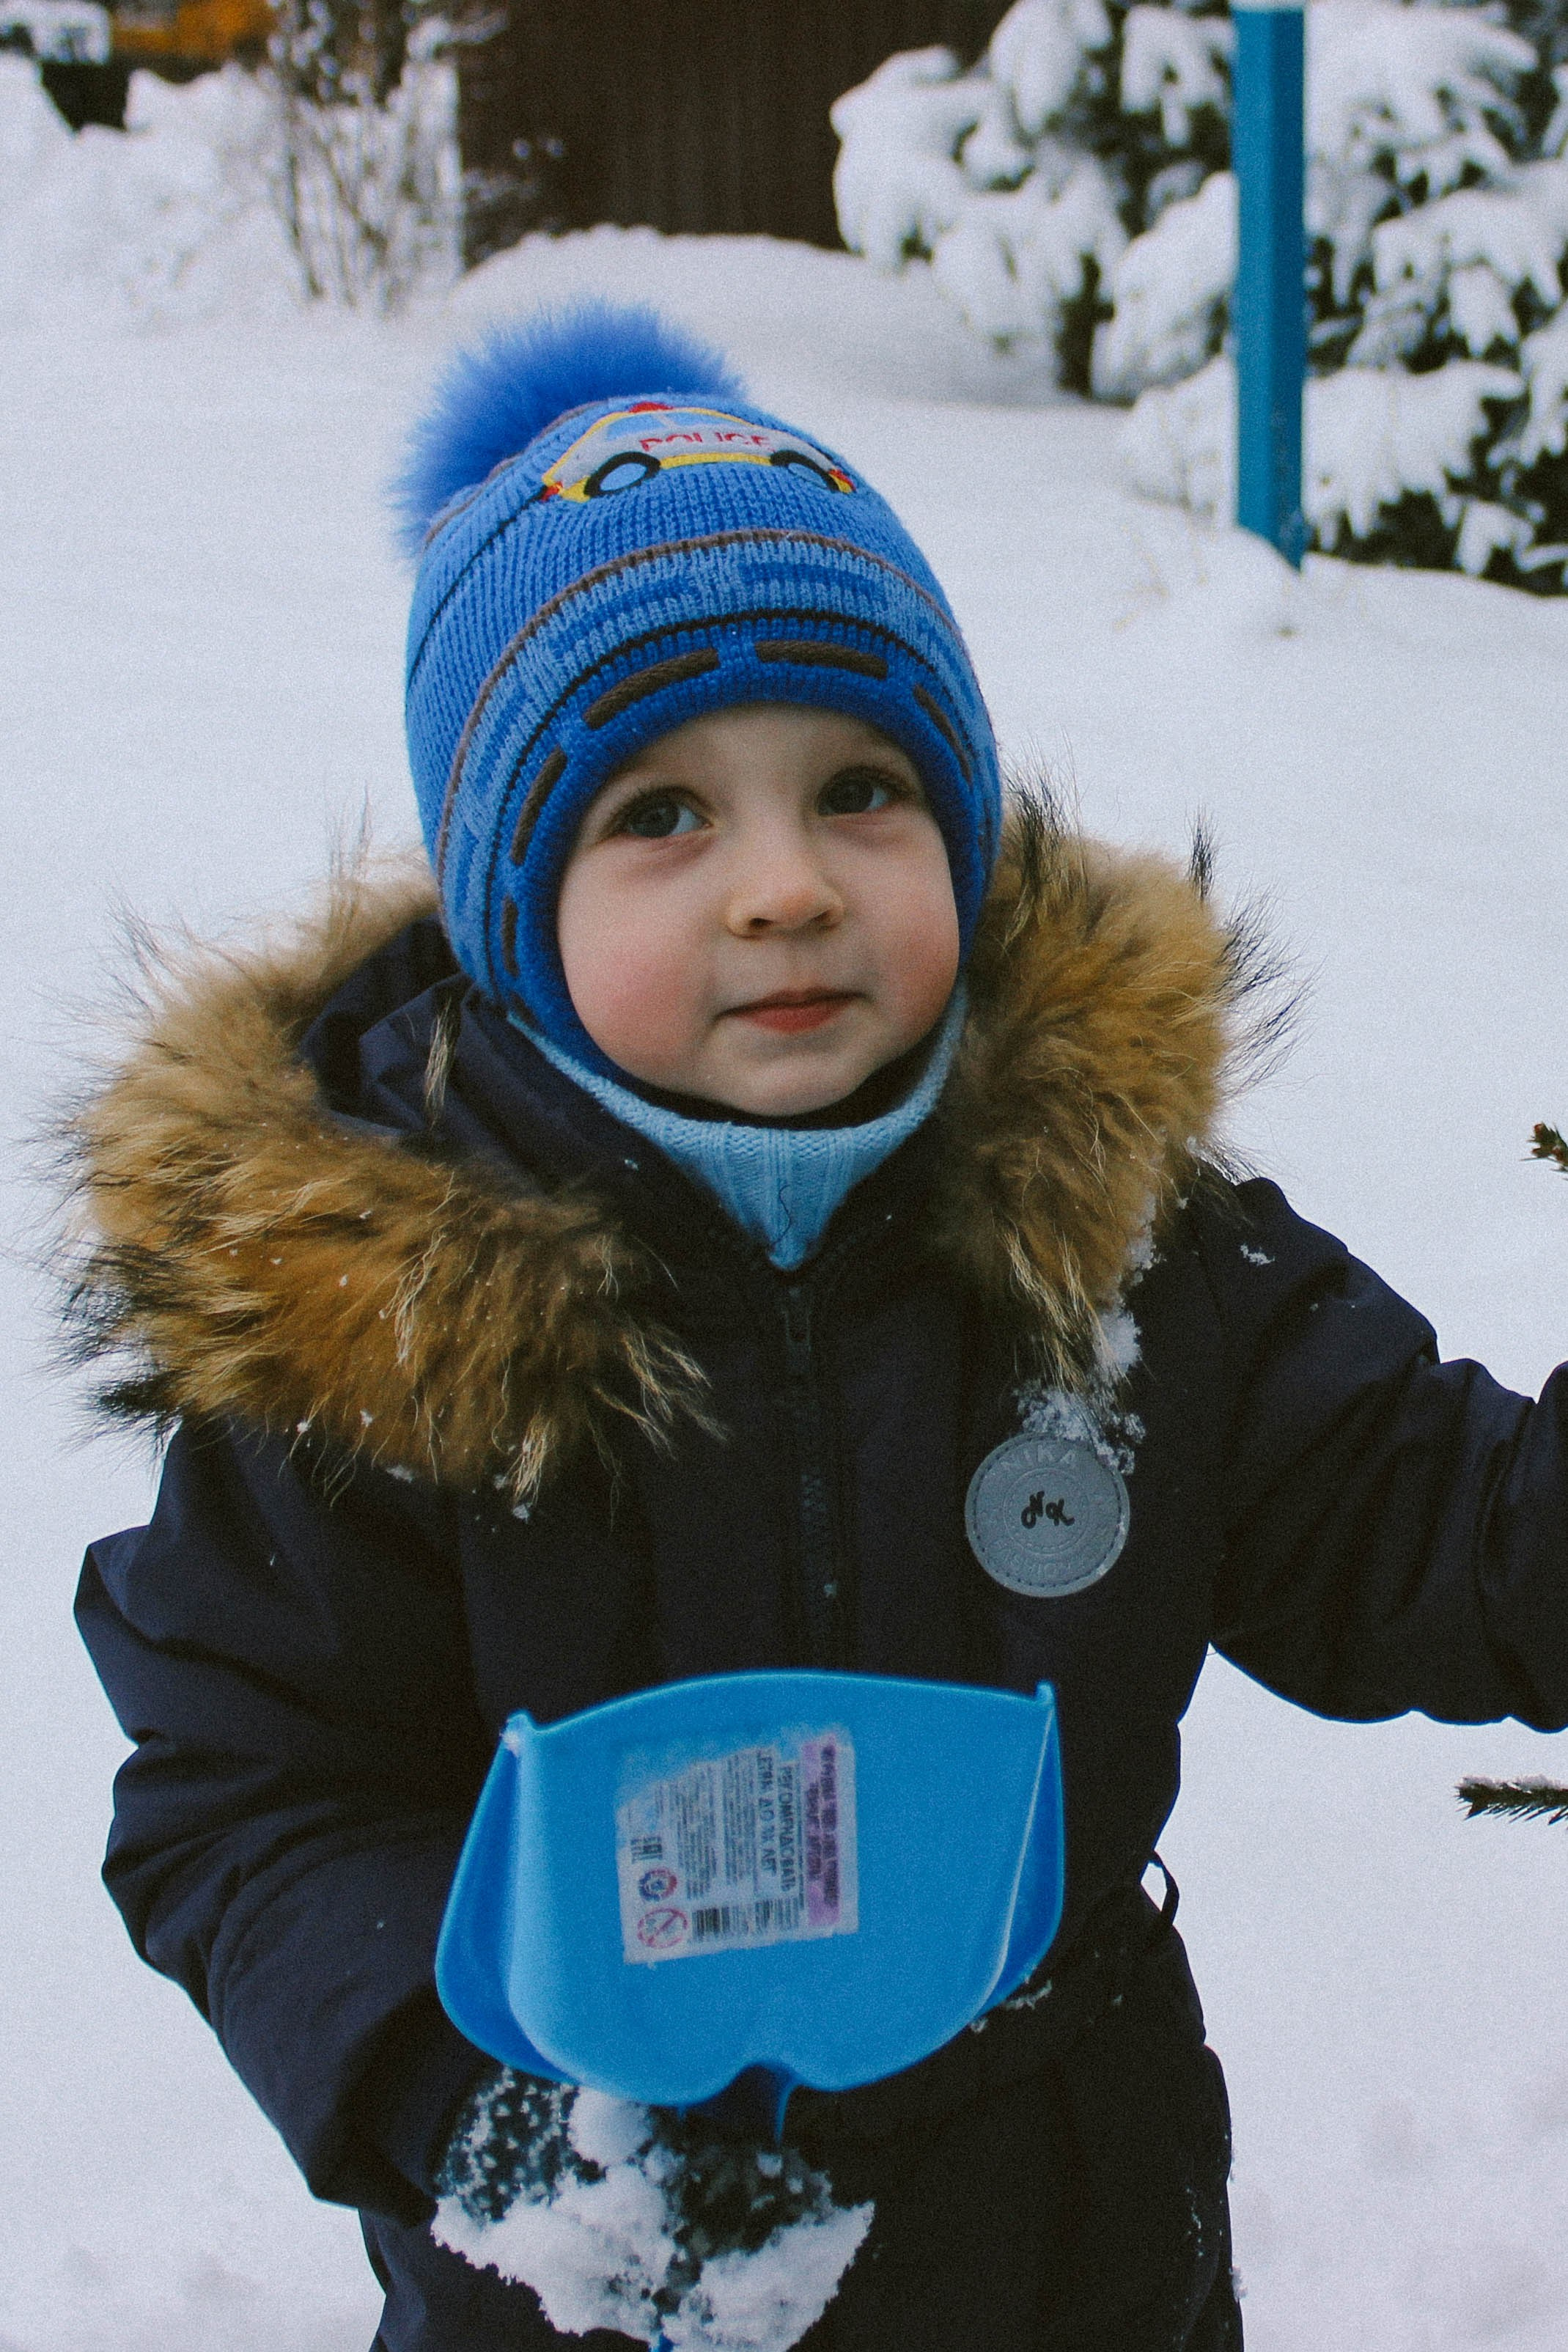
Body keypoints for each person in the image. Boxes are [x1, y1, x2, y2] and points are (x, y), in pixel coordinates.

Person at [70, 304, 1568, 2352]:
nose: (784, 886)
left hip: (1074, 2244)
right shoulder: (385, 1345)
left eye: (861, 788)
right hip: (598, 2275)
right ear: (514, 915)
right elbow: (249, 1800)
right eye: (661, 816)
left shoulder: (1114, 1251)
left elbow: (1431, 1529)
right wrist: (461, 2108)